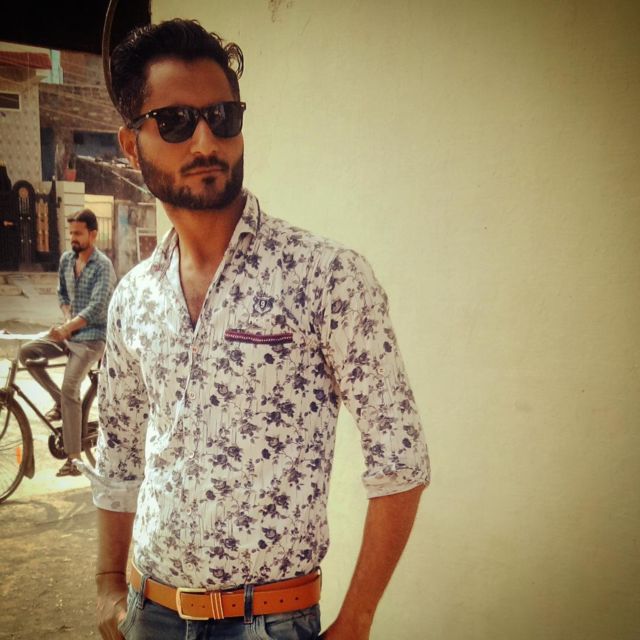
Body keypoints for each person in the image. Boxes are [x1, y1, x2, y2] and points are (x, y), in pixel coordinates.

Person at [94, 18, 430, 640]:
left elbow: (400, 457)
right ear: (131, 144)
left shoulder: (325, 275)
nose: (205, 140)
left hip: (268, 622)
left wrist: (357, 619)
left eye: (222, 117)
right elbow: (118, 449)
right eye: (175, 121)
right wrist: (108, 584)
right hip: (149, 613)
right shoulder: (133, 297)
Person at [20, 208, 116, 477]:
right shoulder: (66, 260)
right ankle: (61, 403)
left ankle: (75, 459)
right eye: (70, 233)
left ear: (93, 234)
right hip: (68, 333)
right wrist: (66, 320)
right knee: (26, 353)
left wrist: (68, 327)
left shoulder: (103, 266)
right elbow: (62, 293)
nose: (73, 238)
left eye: (78, 233)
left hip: (93, 338)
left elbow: (97, 307)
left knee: (70, 385)